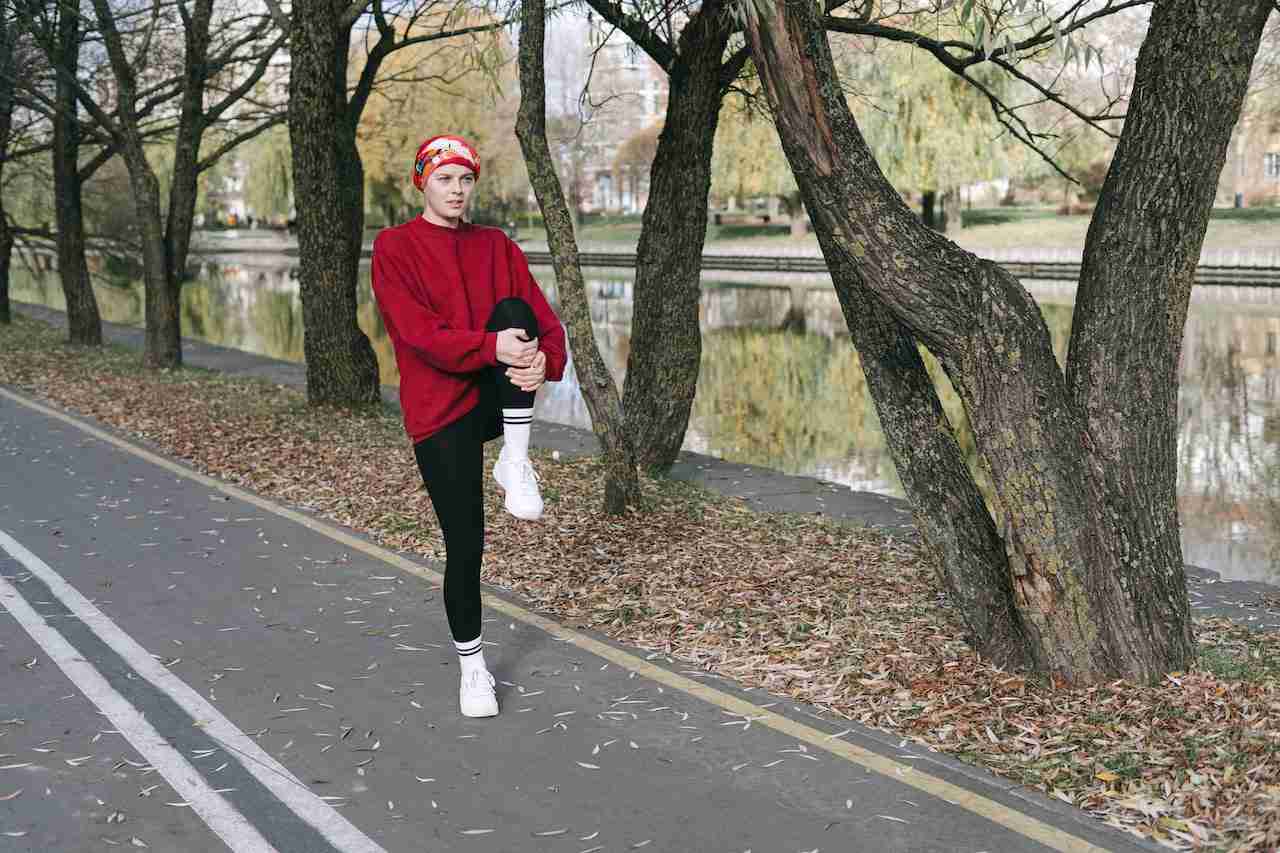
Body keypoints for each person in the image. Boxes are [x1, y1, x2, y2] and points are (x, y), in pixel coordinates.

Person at [371, 134, 567, 718]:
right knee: (467, 541)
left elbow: (544, 323)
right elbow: (418, 335)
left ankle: (517, 457)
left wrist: (541, 361)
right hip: (440, 407)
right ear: (422, 183)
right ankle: (472, 668)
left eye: (464, 180)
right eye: (444, 179)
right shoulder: (395, 246)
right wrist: (493, 348)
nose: (456, 190)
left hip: (494, 397)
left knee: (515, 313)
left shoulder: (496, 247)